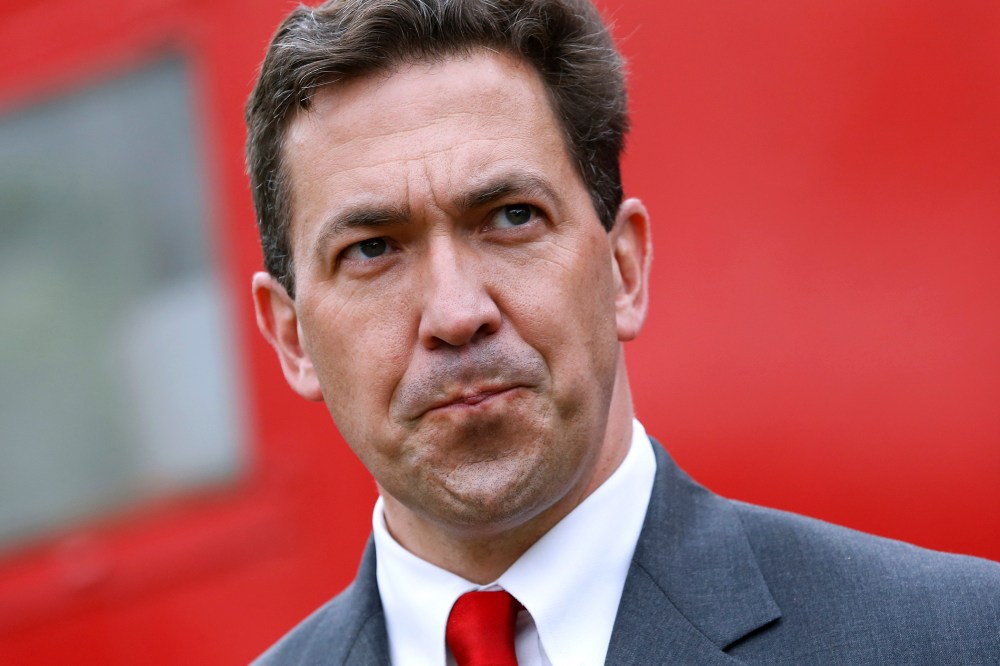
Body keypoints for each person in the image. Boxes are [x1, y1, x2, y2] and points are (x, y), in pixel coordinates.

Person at [245, 0, 1000, 664]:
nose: (455, 313)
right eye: (371, 249)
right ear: (292, 339)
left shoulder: (957, 639)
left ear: (624, 270)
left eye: (511, 216)